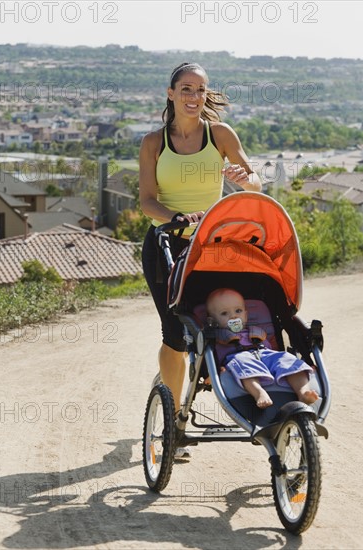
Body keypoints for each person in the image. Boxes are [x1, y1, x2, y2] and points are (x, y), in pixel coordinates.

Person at [139, 62, 262, 415]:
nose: (194, 97)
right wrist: (174, 218)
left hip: (211, 244)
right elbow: (147, 200)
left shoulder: (220, 134)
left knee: (218, 321)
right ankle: (174, 415)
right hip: (166, 243)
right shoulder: (153, 143)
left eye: (200, 90)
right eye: (186, 89)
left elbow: (254, 182)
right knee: (175, 333)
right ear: (171, 93)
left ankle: (203, 375)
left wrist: (245, 179)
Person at [206, 288, 319, 408]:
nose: (233, 316)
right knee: (243, 363)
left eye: (238, 311)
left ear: (246, 314)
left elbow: (270, 350)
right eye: (224, 313)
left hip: (264, 354)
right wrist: (213, 372)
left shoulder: (256, 332)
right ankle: (259, 393)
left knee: (285, 358)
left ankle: (303, 392)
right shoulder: (218, 339)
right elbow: (215, 357)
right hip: (240, 360)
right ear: (212, 321)